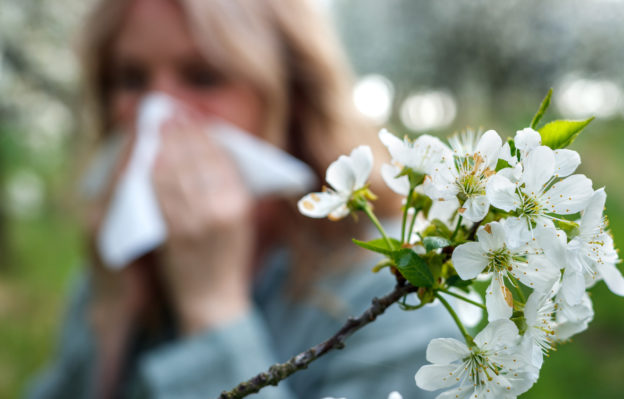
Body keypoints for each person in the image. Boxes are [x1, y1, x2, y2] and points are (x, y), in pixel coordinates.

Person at [26, 0, 459, 398]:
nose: (157, 111)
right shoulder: (126, 262)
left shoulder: (388, 292)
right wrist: (109, 322)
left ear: (291, 95)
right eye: (132, 79)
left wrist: (212, 308)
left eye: (203, 76)